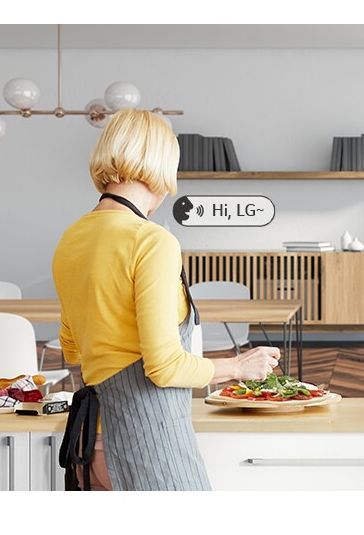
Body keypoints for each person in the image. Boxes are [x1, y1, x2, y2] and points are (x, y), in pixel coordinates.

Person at [53, 109, 280, 491]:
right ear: (160, 166)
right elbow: (164, 367)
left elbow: (73, 349)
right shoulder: (151, 241)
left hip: (90, 447)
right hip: (147, 444)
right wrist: (238, 367)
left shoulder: (71, 239)